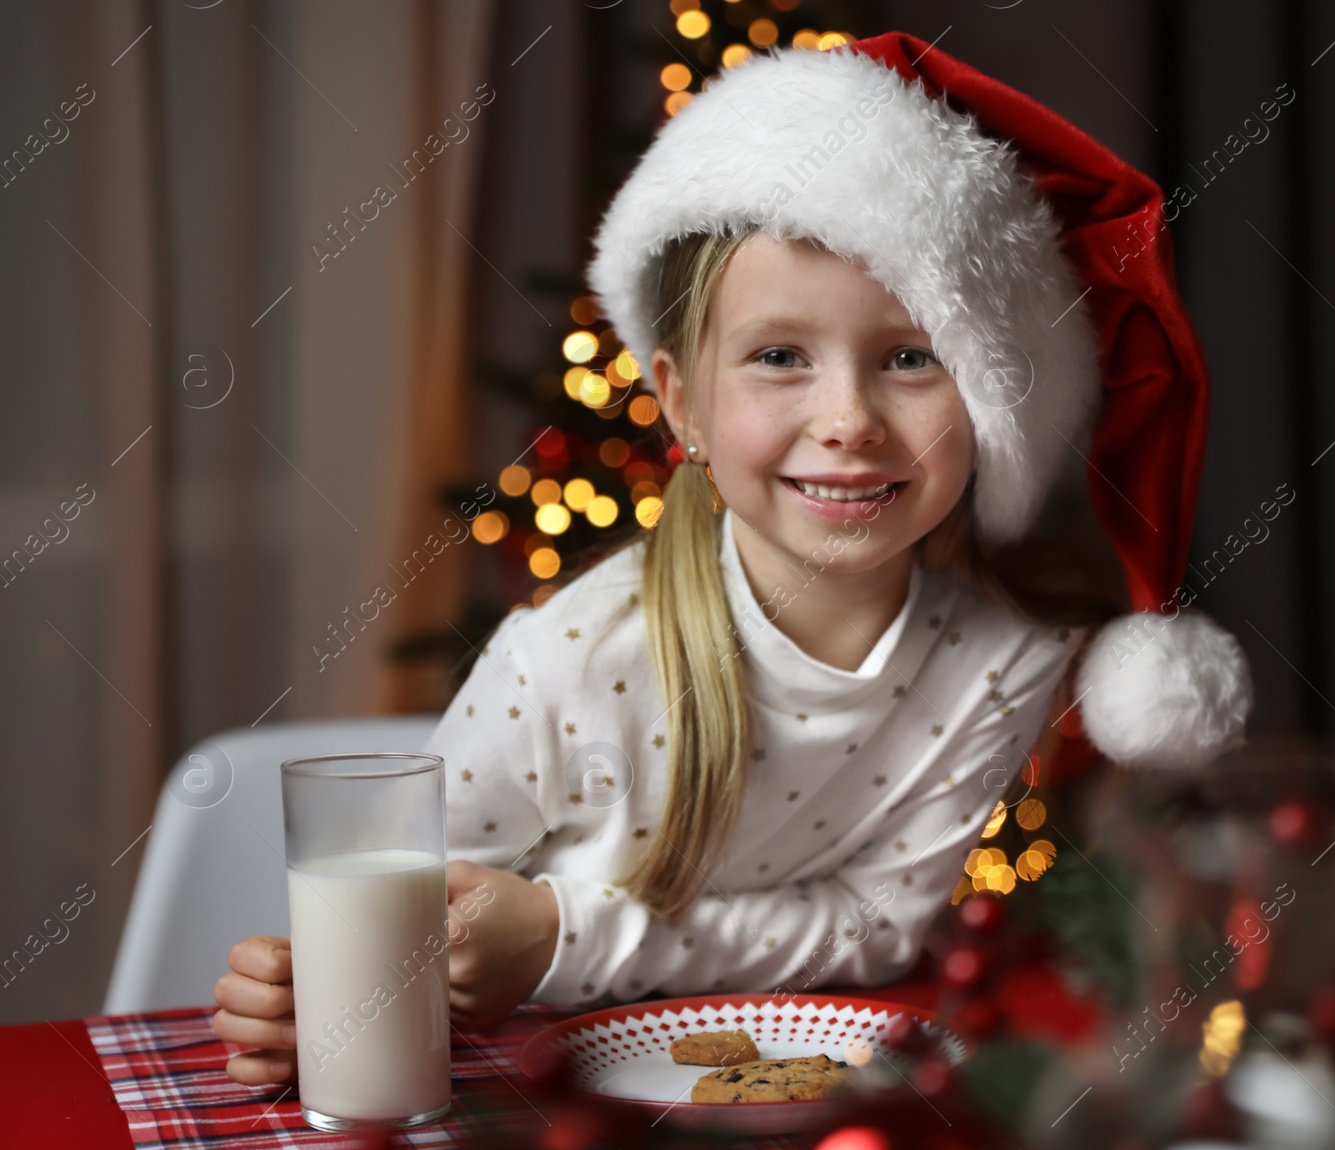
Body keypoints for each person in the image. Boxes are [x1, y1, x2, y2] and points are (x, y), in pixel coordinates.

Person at [212, 32, 1252, 1088]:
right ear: (681, 402)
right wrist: (298, 1002)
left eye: (908, 358)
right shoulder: (566, 659)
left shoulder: (1003, 664)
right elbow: (391, 937)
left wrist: (565, 932)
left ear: (987, 400)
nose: (846, 420)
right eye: (779, 357)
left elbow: (877, 929)